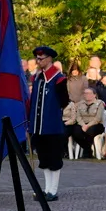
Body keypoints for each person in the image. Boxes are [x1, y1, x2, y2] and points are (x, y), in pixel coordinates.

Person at [29, 46, 70, 198]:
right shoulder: (37, 78)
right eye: (37, 59)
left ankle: (53, 190)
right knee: (44, 159)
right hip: (38, 127)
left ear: (49, 59)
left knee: (54, 159)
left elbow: (64, 101)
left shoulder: (58, 79)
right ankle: (46, 190)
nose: (39, 61)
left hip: (52, 126)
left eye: (41, 59)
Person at [63, 86, 106, 159]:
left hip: (96, 124)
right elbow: (78, 117)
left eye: (89, 93)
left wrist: (87, 126)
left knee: (90, 131)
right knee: (75, 132)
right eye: (85, 93)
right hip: (83, 124)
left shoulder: (100, 103)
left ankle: (87, 153)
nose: (86, 95)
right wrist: (83, 125)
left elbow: (98, 118)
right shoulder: (81, 103)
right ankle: (88, 149)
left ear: (94, 95)